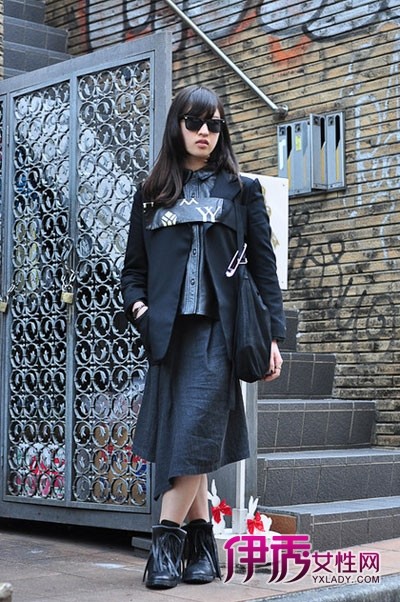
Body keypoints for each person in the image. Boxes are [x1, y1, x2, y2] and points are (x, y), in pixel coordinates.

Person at [121, 85, 286, 589]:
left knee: (191, 435)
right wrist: (141, 311)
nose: (204, 133)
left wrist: (272, 336)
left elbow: (263, 269)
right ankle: (202, 548)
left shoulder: (241, 190)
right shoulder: (151, 193)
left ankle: (164, 545)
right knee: (183, 439)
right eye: (194, 122)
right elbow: (133, 271)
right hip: (168, 335)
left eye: (214, 124)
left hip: (218, 333)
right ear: (177, 126)